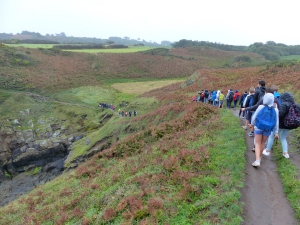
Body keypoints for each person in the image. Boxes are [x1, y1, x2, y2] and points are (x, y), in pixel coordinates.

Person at [263, 92, 296, 159]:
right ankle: (285, 153)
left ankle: (267, 150)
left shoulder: (284, 104)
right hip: (290, 125)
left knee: (272, 135)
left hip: (281, 125)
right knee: (283, 138)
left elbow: (280, 115)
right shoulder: (295, 105)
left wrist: (276, 110)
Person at [250, 93, 279, 167]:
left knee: (257, 143)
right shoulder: (275, 109)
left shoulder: (260, 107)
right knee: (263, 143)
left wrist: (252, 124)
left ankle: (257, 161)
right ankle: (259, 158)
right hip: (268, 129)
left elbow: (254, 117)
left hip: (259, 127)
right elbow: (276, 122)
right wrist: (276, 132)